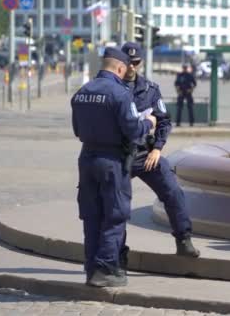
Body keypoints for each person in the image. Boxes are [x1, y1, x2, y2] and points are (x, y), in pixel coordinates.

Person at [71, 47, 157, 287]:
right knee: (114, 216)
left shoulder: (82, 92)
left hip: (87, 158)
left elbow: (77, 130)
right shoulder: (120, 94)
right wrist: (148, 123)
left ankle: (91, 269)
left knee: (91, 216)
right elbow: (133, 130)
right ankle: (106, 268)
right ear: (120, 68)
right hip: (113, 162)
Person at [119, 42, 200, 271]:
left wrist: (158, 149)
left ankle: (183, 240)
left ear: (141, 62)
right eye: (128, 62)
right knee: (119, 206)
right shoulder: (112, 88)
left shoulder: (150, 89)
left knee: (173, 191)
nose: (132, 66)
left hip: (147, 154)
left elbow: (163, 120)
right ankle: (118, 253)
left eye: (136, 62)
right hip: (120, 156)